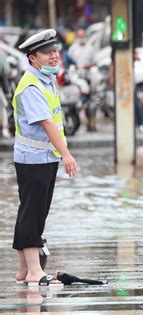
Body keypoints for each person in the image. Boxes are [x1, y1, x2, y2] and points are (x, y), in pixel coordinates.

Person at [13, 29, 78, 287]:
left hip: (43, 157)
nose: (54, 56)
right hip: (33, 159)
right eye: (47, 53)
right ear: (32, 58)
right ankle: (34, 272)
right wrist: (67, 154)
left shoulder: (45, 81)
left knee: (31, 211)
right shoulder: (31, 86)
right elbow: (47, 124)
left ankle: (22, 270)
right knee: (33, 214)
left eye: (55, 51)